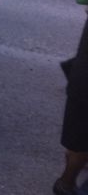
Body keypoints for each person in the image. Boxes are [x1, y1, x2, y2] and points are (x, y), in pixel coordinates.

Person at [53, 19, 88, 195]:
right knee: (80, 141)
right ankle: (66, 184)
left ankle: (66, 183)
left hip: (81, 81)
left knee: (78, 140)